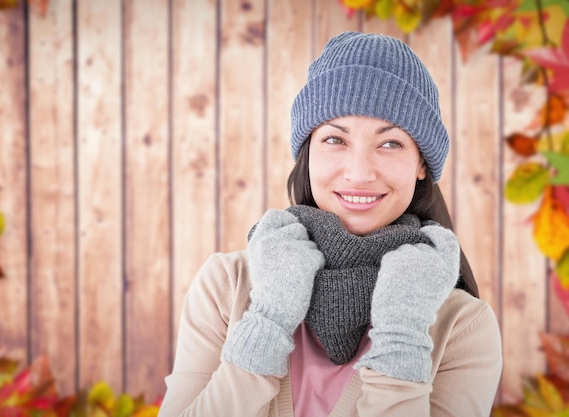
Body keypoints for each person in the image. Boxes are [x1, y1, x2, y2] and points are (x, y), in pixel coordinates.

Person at [158, 32, 502, 417]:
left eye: (390, 144)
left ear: (422, 164)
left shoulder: (463, 326)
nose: (359, 172)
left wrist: (402, 336)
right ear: (308, 152)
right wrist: (268, 321)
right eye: (335, 139)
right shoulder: (228, 286)